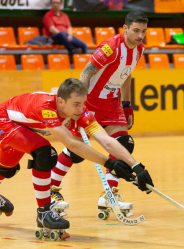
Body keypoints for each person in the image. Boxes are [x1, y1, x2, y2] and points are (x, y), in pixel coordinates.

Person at [0, 78, 154, 240]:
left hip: (25, 126)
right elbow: (72, 144)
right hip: (3, 120)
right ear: (61, 101)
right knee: (45, 154)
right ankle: (44, 213)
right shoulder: (46, 108)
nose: (80, 109)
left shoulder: (79, 111)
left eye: (83, 103)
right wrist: (109, 163)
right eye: (76, 104)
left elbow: (106, 141)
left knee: (7, 167)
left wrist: (136, 165)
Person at [50, 11, 150, 218]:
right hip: (92, 102)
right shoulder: (110, 47)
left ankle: (109, 194)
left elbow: (127, 74)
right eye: (136, 31)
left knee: (124, 144)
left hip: (112, 103)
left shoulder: (139, 48)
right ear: (125, 28)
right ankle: (52, 189)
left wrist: (127, 103)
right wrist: (81, 105)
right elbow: (85, 73)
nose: (140, 36)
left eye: (144, 31)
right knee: (77, 150)